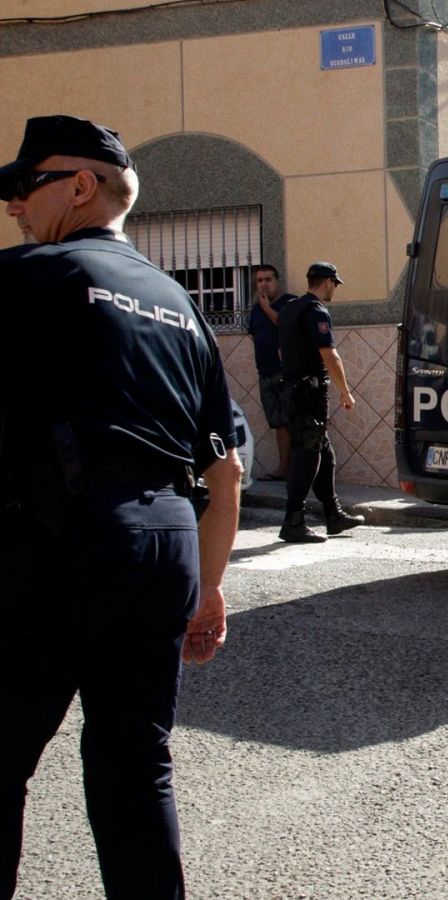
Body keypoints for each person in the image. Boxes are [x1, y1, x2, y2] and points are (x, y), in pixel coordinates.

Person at [0, 115, 241, 899]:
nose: (13, 207)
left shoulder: (36, 275)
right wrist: (208, 590)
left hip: (61, 534)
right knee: (135, 766)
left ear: (80, 185)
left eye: (24, 187)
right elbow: (228, 469)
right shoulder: (180, 304)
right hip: (165, 541)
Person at [277, 261, 364, 543]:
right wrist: (345, 391)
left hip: (291, 389)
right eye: (334, 285)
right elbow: (330, 355)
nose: (334, 291)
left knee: (323, 453)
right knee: (307, 456)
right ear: (327, 282)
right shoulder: (315, 311)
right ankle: (293, 520)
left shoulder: (289, 309)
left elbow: (282, 352)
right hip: (309, 393)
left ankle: (333, 515)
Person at [247, 264, 295, 479]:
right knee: (278, 424)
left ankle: (299, 471)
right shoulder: (255, 310)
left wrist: (267, 308)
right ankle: (283, 469)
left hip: (286, 373)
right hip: (265, 373)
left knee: (293, 421)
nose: (263, 284)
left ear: (277, 282)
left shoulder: (290, 303)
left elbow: (286, 326)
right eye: (259, 281)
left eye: (268, 279)